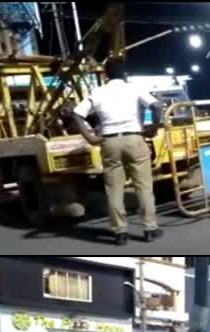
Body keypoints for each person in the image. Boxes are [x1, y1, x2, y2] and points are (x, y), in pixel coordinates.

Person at [69, 57, 164, 245]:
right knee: (143, 186)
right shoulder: (134, 88)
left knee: (114, 190)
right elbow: (157, 105)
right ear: (126, 73)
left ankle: (120, 232)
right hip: (135, 139)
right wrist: (153, 126)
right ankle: (150, 229)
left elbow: (77, 113)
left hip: (109, 142)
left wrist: (89, 137)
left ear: (105, 74)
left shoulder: (98, 92)